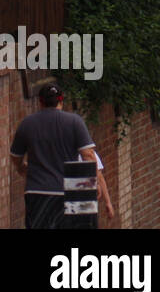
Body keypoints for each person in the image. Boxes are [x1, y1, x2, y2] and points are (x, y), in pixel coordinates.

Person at [9, 83, 97, 229]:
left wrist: (22, 168)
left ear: (40, 102)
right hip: (70, 190)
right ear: (61, 101)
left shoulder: (27, 123)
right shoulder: (74, 121)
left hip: (37, 191)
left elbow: (15, 156)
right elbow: (88, 155)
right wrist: (92, 185)